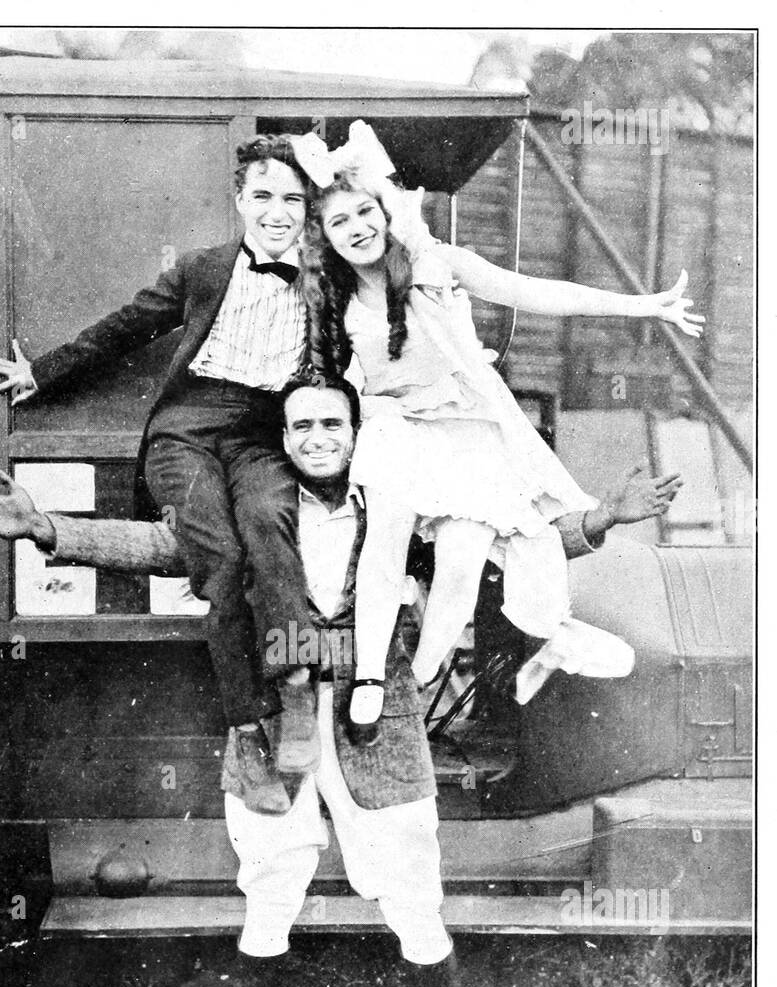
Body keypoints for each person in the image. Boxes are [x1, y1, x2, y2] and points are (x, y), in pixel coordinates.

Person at [0, 375, 681, 987]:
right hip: (273, 725)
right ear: (284, 438)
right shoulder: (248, 514)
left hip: (380, 728)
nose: (316, 437)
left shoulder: (400, 512)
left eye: (331, 422)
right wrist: (47, 531)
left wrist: (604, 516)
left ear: (355, 430)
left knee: (414, 903)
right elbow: (163, 548)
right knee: (268, 900)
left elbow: (516, 544)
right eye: (300, 426)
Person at [293, 122, 704, 742]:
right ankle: (371, 678)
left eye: (363, 211)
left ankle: (422, 676)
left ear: (385, 211)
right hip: (394, 425)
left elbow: (534, 292)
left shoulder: (437, 265)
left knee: (461, 561)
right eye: (338, 222)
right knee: (386, 535)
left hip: (467, 431)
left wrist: (641, 305)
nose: (356, 228)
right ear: (324, 238)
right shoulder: (332, 296)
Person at [0, 134, 320, 816]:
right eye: (262, 196)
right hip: (187, 429)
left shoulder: (326, 275)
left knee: (269, 526)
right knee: (218, 560)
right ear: (239, 201)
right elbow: (127, 326)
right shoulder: (203, 269)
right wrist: (42, 371)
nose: (276, 212)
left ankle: (296, 689)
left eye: (291, 198)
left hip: (264, 434)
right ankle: (249, 731)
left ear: (308, 207)